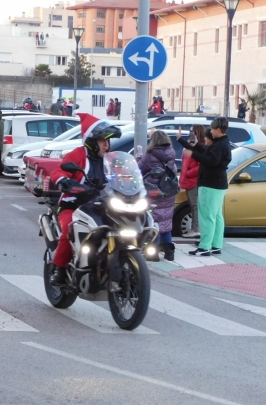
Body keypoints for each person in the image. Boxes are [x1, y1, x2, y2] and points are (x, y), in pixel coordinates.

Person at [49, 113, 121, 286]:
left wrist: (143, 183)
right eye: (102, 140)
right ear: (91, 141)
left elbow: (128, 176)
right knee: (69, 230)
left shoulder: (112, 159)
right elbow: (57, 172)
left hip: (103, 206)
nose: (106, 144)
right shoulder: (78, 155)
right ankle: (59, 269)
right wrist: (65, 181)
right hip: (74, 205)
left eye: (108, 140)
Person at [177, 117, 232, 256]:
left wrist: (193, 154)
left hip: (210, 184)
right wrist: (192, 145)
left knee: (207, 216)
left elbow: (211, 161)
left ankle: (205, 247)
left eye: (213, 129)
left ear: (218, 130)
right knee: (217, 216)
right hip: (218, 184)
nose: (211, 132)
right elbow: (207, 152)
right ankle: (215, 244)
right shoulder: (221, 143)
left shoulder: (219, 145)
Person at [136, 130, 177, 261]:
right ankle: (169, 252)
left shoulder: (149, 155)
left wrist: (138, 157)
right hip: (169, 191)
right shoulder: (171, 154)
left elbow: (139, 170)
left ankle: (153, 253)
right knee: (166, 221)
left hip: (154, 192)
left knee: (155, 222)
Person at [179, 125, 205, 239]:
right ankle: (195, 228)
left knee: (195, 205)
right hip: (188, 180)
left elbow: (201, 165)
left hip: (194, 180)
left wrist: (188, 173)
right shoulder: (190, 146)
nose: (190, 134)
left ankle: (196, 228)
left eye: (192, 132)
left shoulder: (201, 147)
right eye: (189, 131)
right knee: (192, 204)